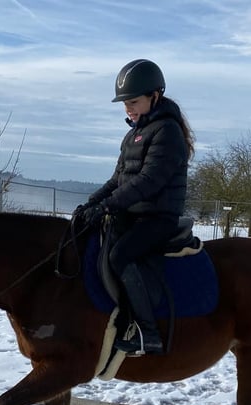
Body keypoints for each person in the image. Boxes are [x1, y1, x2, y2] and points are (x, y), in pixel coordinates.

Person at [76, 59, 195, 355]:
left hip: (158, 216)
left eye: (133, 102)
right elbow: (118, 179)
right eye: (124, 104)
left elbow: (149, 181)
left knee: (120, 255)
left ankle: (147, 331)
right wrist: (92, 203)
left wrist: (108, 207)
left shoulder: (167, 131)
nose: (128, 108)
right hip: (132, 214)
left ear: (155, 96)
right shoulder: (133, 134)